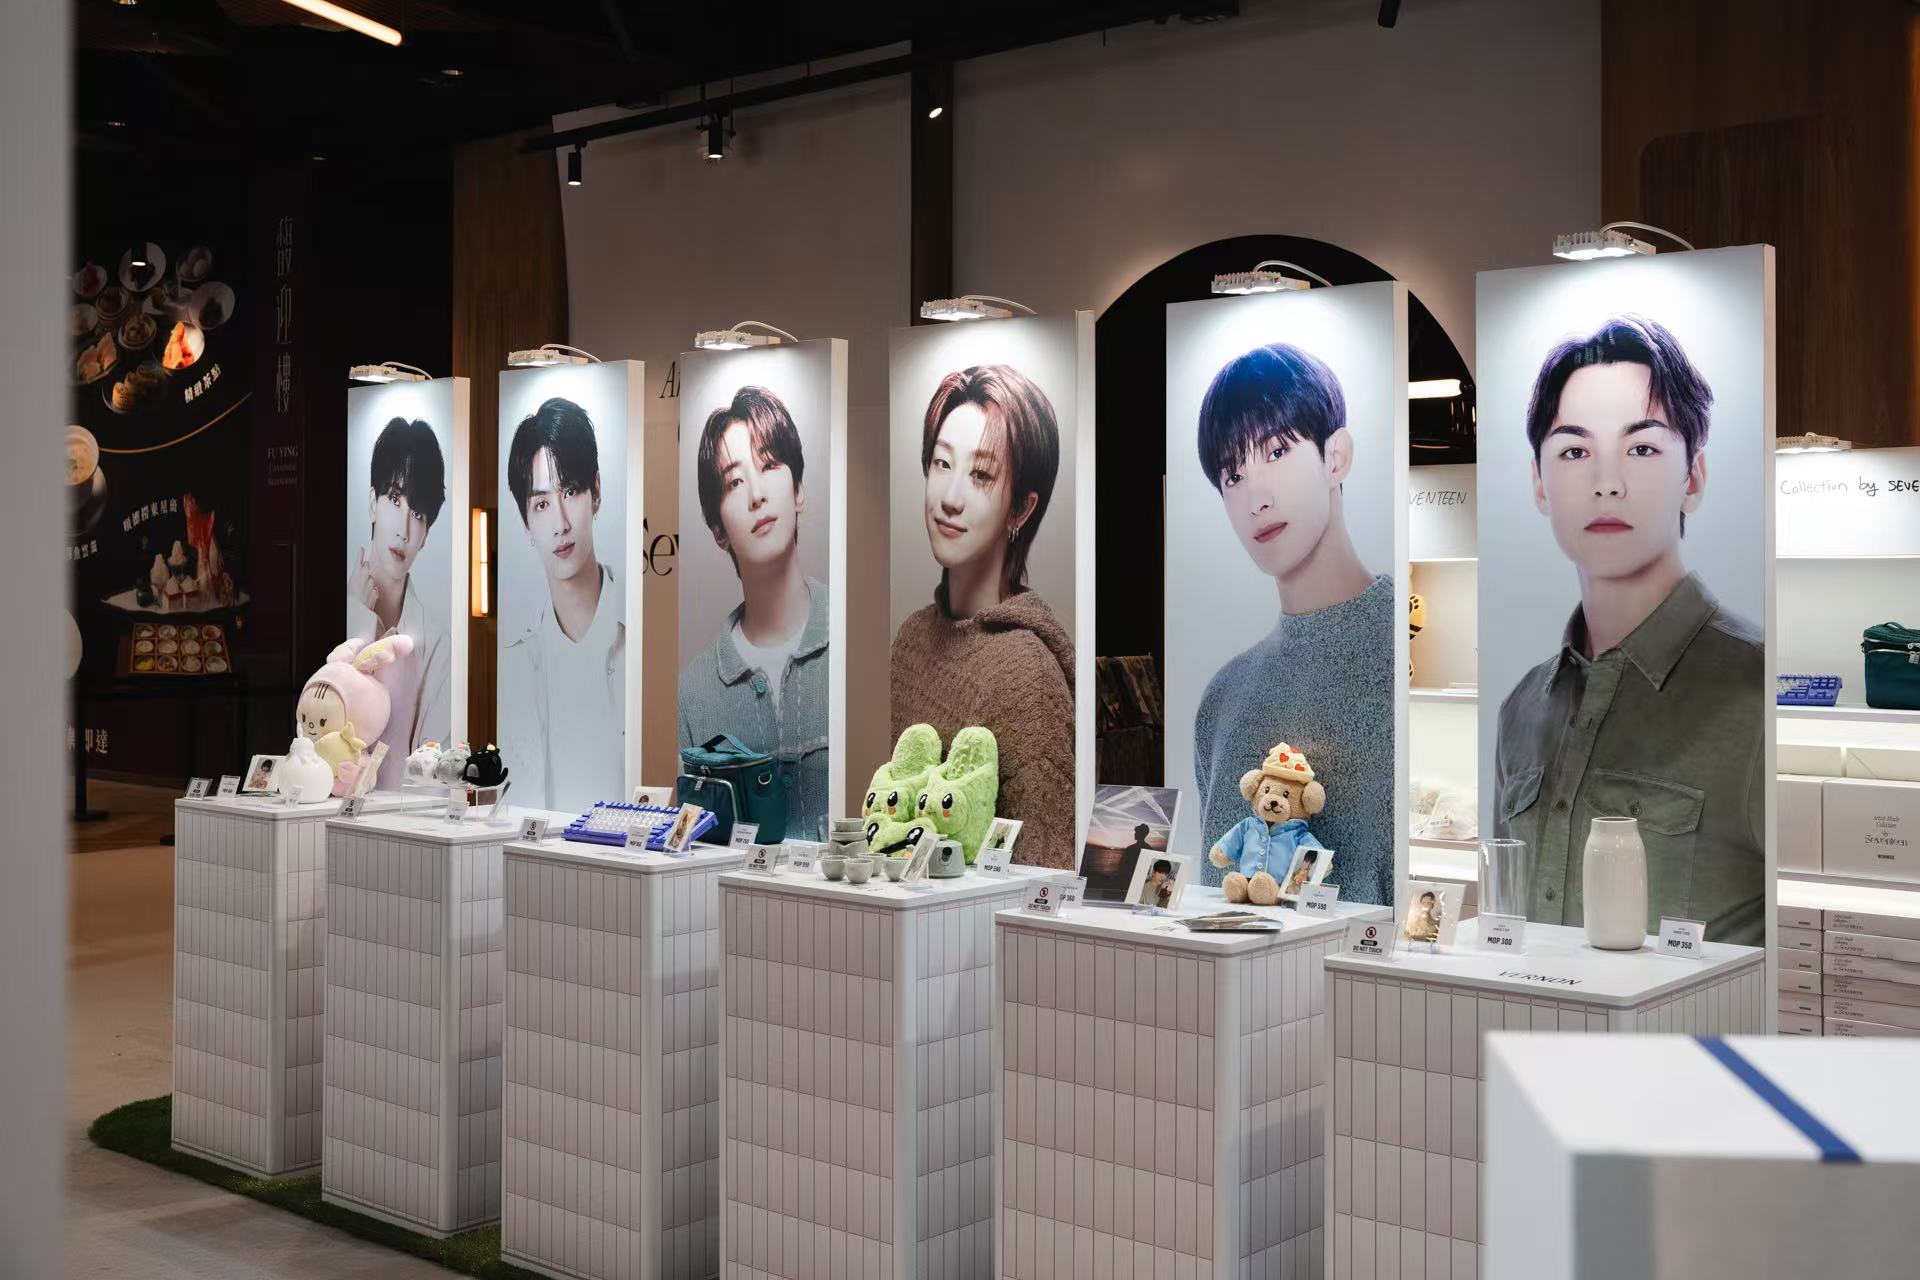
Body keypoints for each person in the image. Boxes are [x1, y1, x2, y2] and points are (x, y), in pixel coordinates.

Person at [1493, 316, 1763, 946]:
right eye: (1574, 452)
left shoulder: (1755, 689)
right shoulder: (1522, 708)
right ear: (1539, 483)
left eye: (1641, 449)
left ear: (1693, 477)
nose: (1607, 483)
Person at [1189, 344, 1394, 906]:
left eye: (1277, 451)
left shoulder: (1401, 658)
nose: (1256, 498)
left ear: (1336, 457)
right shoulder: (1224, 699)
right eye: (1233, 475)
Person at [891, 364, 1076, 868]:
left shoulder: (1027, 671)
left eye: (980, 475)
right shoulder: (911, 641)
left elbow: (1047, 863)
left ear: (1021, 509)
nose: (950, 499)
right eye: (941, 463)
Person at [679, 386, 830, 835]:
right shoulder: (694, 691)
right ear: (717, 529)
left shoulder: (855, 640)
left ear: (798, 489)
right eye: (734, 482)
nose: (757, 496)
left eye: (769, 466)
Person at [500, 397, 624, 811]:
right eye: (541, 504)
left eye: (570, 491)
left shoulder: (638, 634)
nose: (561, 524)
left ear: (596, 492)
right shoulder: (516, 658)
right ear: (526, 523)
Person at [347, 416, 448, 788]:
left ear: (426, 534)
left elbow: (430, 770)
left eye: (417, 514)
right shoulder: (343, 608)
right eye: (393, 499)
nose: (404, 530)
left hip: (400, 814)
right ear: (372, 503)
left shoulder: (436, 646)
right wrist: (359, 615)